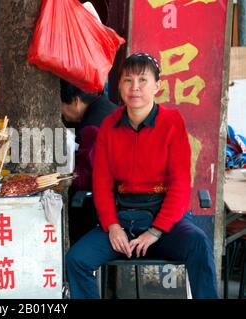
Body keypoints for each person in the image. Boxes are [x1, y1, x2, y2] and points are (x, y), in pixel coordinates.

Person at [65, 53, 218, 299]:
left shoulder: (172, 123)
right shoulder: (109, 126)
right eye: (128, 80)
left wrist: (155, 231)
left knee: (198, 244)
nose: (134, 87)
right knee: (77, 260)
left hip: (166, 221)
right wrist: (113, 226)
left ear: (157, 86)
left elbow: (180, 185)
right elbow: (101, 183)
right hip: (122, 219)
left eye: (143, 80)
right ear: (119, 86)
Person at [60, 79, 118, 243]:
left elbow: (85, 178)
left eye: (62, 107)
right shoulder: (110, 108)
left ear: (76, 101)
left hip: (110, 206)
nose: (62, 114)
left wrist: (66, 175)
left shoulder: (92, 127)